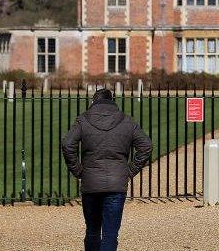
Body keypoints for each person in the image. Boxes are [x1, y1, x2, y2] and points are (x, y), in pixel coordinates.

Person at [61, 87, 152, 251]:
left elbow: (68, 145)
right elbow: (146, 146)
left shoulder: (83, 120)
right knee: (110, 234)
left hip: (91, 183)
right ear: (112, 102)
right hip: (116, 184)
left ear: (93, 102)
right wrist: (129, 171)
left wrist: (78, 170)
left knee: (93, 231)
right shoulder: (126, 120)